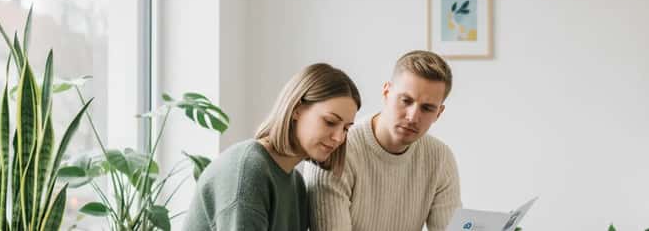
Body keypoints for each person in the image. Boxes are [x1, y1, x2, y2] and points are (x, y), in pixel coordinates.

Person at [183, 63, 361, 231]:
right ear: (297, 109)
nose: (339, 138)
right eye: (330, 122)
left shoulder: (296, 185)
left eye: (346, 128)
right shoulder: (248, 171)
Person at [304, 50, 461, 231]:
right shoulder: (335, 149)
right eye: (406, 100)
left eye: (427, 108)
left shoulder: (440, 158)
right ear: (386, 92)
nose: (412, 117)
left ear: (438, 113)